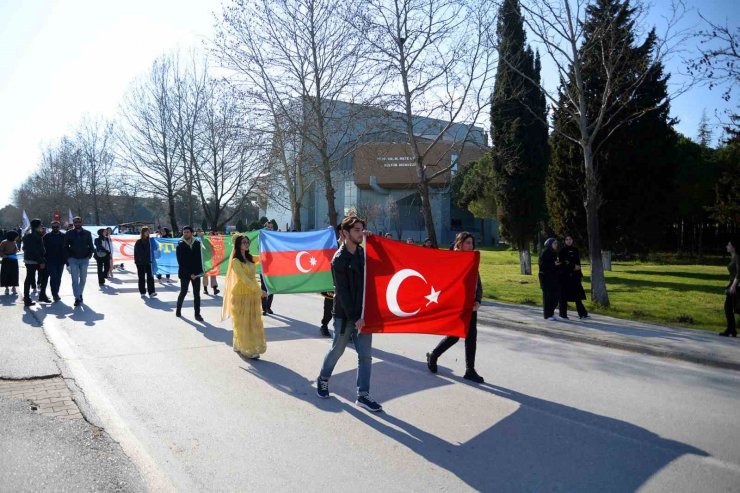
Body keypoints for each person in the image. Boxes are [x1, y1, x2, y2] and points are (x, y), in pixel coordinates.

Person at [316, 216, 382, 412]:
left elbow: (382, 265)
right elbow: (343, 295)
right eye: (357, 230)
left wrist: (373, 243)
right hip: (345, 316)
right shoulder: (338, 260)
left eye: (362, 229)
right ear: (345, 233)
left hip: (363, 314)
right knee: (337, 350)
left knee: (365, 356)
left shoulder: (363, 253)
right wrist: (357, 318)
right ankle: (323, 378)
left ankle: (363, 395)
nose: (361, 233)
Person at [425, 232, 485, 384]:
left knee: (471, 337)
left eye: (472, 243)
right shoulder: (452, 260)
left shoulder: (472, 260)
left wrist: (477, 300)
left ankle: (470, 370)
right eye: (467, 243)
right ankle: (434, 355)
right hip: (457, 305)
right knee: (454, 335)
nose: (470, 246)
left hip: (471, 305)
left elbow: (477, 282)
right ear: (459, 244)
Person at [221, 235, 268, 358]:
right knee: (243, 322)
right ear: (238, 245)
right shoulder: (235, 261)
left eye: (247, 242)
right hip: (241, 294)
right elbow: (245, 279)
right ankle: (248, 349)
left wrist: (272, 248)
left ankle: (238, 344)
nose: (246, 244)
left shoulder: (250, 258)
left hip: (252, 294)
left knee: (252, 321)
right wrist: (259, 291)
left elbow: (265, 258)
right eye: (244, 242)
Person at [64, 216, 94, 307]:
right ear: (73, 223)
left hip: (84, 259)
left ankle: (79, 294)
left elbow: (91, 245)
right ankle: (77, 298)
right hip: (73, 259)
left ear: (81, 222)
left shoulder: (87, 233)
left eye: (79, 222)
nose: (77, 224)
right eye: (75, 222)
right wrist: (68, 259)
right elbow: (65, 246)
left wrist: (89, 255)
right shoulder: (69, 233)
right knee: (75, 280)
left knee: (83, 279)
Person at [175, 226, 204, 321]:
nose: (185, 234)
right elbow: (181, 262)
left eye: (187, 232)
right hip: (185, 273)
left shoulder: (197, 243)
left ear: (192, 233)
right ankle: (178, 309)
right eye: (184, 232)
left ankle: (197, 314)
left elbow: (200, 259)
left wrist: (198, 272)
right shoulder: (180, 245)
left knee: (197, 294)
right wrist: (190, 273)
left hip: (196, 274)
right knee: (183, 292)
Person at [558, 235, 590, 320]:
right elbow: (563, 263)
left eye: (570, 239)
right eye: (567, 239)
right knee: (563, 296)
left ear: (572, 240)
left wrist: (580, 274)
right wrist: (572, 267)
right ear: (564, 241)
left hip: (575, 277)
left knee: (577, 296)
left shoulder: (575, 250)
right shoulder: (562, 251)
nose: (568, 241)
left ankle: (583, 314)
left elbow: (578, 263)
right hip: (565, 277)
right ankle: (563, 314)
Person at [22, 219, 47, 306]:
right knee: (32, 278)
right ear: (37, 226)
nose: (42, 226)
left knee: (29, 278)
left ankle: (28, 297)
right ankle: (28, 298)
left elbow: (25, 248)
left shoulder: (29, 235)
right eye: (41, 225)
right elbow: (35, 250)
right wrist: (41, 261)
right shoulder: (34, 235)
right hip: (34, 260)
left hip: (30, 259)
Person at [42, 221, 66, 302]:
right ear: (51, 227)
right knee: (54, 277)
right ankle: (55, 294)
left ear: (59, 227)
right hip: (50, 260)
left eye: (57, 227)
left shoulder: (63, 236)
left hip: (61, 260)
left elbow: (66, 248)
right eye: (53, 227)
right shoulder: (47, 236)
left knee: (58, 278)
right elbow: (43, 249)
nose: (55, 228)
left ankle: (56, 292)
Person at [719, 238, 739, 337]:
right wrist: (729, 284)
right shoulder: (734, 257)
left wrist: (734, 286)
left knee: (731, 307)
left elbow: (739, 273)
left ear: (734, 247)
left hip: (737, 286)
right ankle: (731, 329)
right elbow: (733, 273)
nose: (727, 246)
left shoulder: (737, 257)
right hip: (733, 284)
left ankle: (731, 329)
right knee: (729, 307)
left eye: (729, 244)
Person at [538, 237, 561, 321]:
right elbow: (542, 265)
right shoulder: (545, 253)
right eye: (554, 243)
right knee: (547, 297)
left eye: (556, 243)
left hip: (553, 278)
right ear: (549, 244)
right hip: (545, 278)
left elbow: (554, 266)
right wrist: (553, 264)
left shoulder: (554, 253)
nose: (556, 245)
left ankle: (551, 313)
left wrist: (557, 265)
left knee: (555, 297)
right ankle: (547, 315)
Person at [134, 227, 156, 297]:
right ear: (142, 232)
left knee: (150, 277)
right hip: (140, 263)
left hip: (149, 262)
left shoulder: (151, 241)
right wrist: (139, 260)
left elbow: (155, 250)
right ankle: (142, 291)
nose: (147, 233)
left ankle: (151, 292)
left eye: (148, 231)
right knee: (141, 277)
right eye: (146, 231)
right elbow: (138, 253)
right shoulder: (139, 242)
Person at [260, 221, 275, 315]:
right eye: (268, 227)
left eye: (271, 227)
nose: (270, 229)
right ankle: (264, 308)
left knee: (272, 287)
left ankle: (269, 307)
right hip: (263, 266)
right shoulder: (261, 238)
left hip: (273, 266)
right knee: (264, 287)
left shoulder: (274, 239)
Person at [0, 230, 20, 295]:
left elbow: (16, 249)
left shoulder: (14, 242)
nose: (16, 238)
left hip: (14, 259)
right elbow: (0, 251)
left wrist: (16, 250)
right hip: (6, 260)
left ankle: (14, 288)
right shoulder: (4, 242)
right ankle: (6, 288)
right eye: (16, 236)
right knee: (6, 274)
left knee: (14, 273)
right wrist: (3, 255)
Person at [204, 231, 220, 296]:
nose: (211, 237)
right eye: (209, 235)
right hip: (206, 261)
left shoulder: (216, 243)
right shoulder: (205, 242)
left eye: (212, 235)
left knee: (213, 275)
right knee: (206, 275)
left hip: (213, 261)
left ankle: (215, 289)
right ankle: (205, 289)